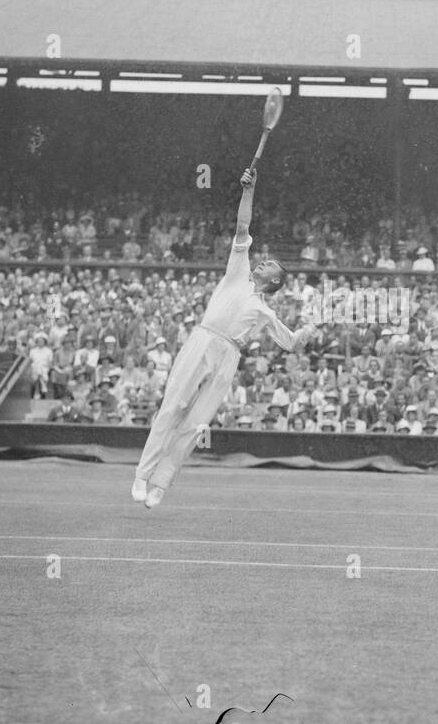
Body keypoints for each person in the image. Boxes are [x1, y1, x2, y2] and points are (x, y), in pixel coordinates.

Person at [132, 167, 322, 509]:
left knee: (195, 423)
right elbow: (242, 227)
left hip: (228, 357)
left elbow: (292, 343)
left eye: (268, 265)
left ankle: (161, 481)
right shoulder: (237, 272)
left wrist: (308, 329)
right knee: (172, 408)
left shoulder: (265, 312)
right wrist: (248, 191)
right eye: (262, 261)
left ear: (275, 282)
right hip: (203, 341)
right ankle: (142, 475)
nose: (261, 263)